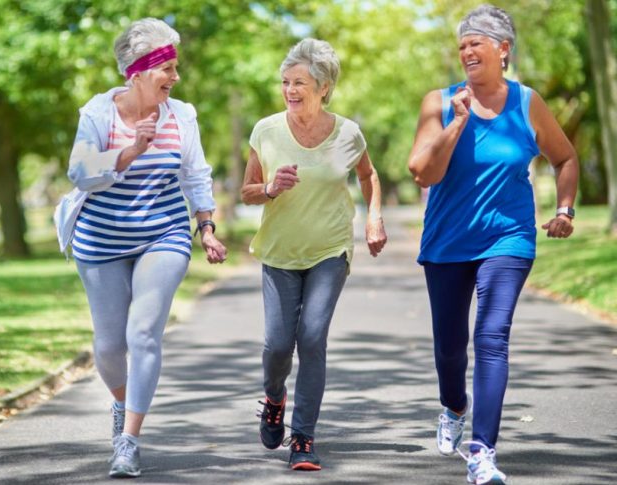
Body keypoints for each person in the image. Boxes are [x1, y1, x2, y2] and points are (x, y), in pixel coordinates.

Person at [407, 5, 578, 485]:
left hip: (509, 237)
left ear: (504, 49)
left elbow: (565, 158)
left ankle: (483, 451)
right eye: (461, 45)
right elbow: (422, 171)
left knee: (491, 336)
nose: (466, 51)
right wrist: (456, 123)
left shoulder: (527, 103)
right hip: (446, 242)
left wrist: (564, 210)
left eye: (476, 42)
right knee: (450, 348)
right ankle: (453, 405)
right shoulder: (438, 102)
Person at [53, 17, 227, 478]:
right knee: (109, 345)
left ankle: (128, 441)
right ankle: (120, 404)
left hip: (163, 233)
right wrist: (130, 150)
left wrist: (205, 226)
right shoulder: (98, 113)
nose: (175, 77)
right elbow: (80, 171)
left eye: (175, 67)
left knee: (143, 333)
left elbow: (195, 174)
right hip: (101, 238)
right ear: (137, 70)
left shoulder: (182, 115)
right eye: (166, 68)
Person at [241, 38, 387, 471]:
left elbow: (369, 175)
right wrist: (269, 188)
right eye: (285, 82)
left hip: (329, 249)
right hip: (280, 251)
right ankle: (273, 398)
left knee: (312, 337)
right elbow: (247, 192)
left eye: (299, 82)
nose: (290, 89)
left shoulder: (347, 134)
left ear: (323, 87)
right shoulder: (266, 131)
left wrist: (374, 218)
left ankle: (302, 438)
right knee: (277, 344)